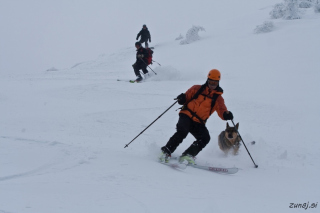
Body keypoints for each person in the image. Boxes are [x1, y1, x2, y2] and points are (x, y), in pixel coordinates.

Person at [159, 69, 234, 164]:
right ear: (207, 80)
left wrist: (226, 115)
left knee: (205, 138)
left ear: (218, 83)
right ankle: (166, 151)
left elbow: (222, 111)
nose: (212, 85)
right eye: (210, 82)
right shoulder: (196, 89)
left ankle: (187, 155)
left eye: (214, 83)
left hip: (199, 122)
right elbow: (186, 98)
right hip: (186, 114)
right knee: (182, 131)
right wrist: (182, 99)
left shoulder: (218, 98)